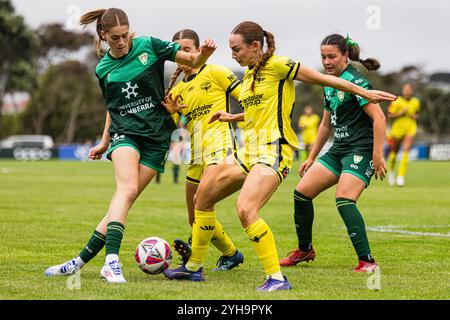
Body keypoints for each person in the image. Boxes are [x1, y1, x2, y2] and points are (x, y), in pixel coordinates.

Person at [163, 22, 396, 291]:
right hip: (247, 151)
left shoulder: (278, 64)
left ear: (254, 46)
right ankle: (194, 268)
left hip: (273, 150)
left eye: (236, 49)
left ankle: (276, 278)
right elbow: (259, 111)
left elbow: (321, 78)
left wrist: (362, 91)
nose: (232, 55)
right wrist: (233, 116)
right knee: (201, 197)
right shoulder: (249, 75)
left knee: (246, 209)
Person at [44, 8, 217, 283]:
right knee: (126, 189)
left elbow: (194, 59)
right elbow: (112, 108)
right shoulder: (103, 69)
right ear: (103, 36)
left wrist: (205, 53)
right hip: (126, 134)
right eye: (115, 37)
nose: (122, 41)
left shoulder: (150, 45)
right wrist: (104, 141)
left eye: (125, 35)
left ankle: (78, 261)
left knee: (123, 201)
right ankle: (112, 262)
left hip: (157, 137)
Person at [279, 34, 388, 273]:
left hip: (360, 151)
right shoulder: (330, 83)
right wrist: (311, 156)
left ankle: (367, 262)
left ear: (345, 56)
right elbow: (326, 125)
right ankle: (305, 250)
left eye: (332, 56)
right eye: (323, 57)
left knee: (344, 199)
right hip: (338, 150)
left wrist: (377, 154)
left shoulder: (356, 82)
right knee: (301, 193)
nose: (326, 62)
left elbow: (379, 117)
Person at [162, 29, 244, 271]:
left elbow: (249, 99)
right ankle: (231, 254)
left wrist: (237, 117)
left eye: (187, 49)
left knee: (201, 203)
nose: (183, 54)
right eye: (179, 51)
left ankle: (193, 266)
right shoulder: (176, 91)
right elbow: (171, 127)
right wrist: (169, 112)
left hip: (220, 149)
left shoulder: (216, 72)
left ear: (198, 51)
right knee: (193, 218)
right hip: (196, 155)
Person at [387, 83, 421, 186]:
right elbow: (389, 115)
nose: (407, 92)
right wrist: (400, 113)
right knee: (394, 153)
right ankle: (391, 172)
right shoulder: (397, 101)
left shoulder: (416, 101)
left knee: (406, 150)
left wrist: (415, 116)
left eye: (409, 90)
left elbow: (417, 112)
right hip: (397, 130)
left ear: (411, 91)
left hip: (410, 129)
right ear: (403, 91)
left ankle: (401, 176)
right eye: (405, 90)